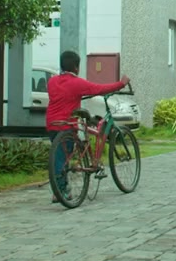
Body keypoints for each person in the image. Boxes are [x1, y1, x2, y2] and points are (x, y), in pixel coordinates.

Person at [46, 50, 130, 203]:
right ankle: (60, 192)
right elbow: (100, 89)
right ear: (76, 67)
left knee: (60, 156)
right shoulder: (77, 83)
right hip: (67, 125)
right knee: (61, 159)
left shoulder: (52, 81)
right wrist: (121, 84)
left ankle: (62, 188)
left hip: (52, 124)